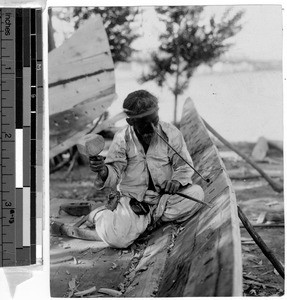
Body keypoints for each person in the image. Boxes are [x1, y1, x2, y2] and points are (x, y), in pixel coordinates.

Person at [87, 90, 204, 248]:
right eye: (144, 124)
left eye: (154, 121)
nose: (151, 128)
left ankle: (146, 221)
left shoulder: (172, 133)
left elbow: (184, 166)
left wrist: (176, 181)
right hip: (134, 200)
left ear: (158, 114)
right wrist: (103, 171)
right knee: (116, 239)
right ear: (130, 122)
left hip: (163, 200)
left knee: (197, 193)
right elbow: (114, 170)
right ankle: (100, 215)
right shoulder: (122, 138)